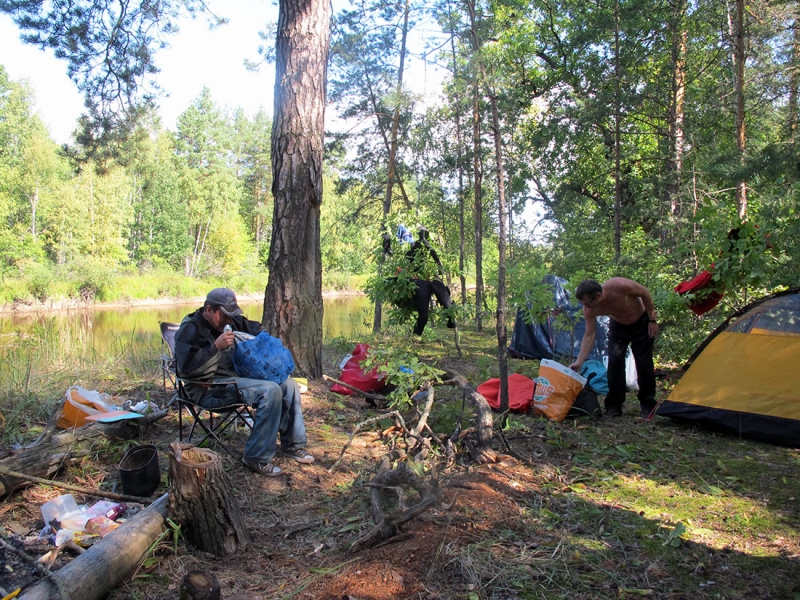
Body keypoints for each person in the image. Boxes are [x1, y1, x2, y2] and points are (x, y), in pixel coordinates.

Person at [174, 288, 313, 476]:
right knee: (270, 391)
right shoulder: (190, 329)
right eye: (224, 315)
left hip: (237, 379)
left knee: (289, 385)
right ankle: (256, 457)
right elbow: (187, 370)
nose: (229, 321)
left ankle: (293, 445)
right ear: (209, 309)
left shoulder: (233, 322)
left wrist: (257, 343)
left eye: (232, 315)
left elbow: (257, 330)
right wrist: (216, 347)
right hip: (209, 388)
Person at [569, 278, 658, 418]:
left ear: (598, 295)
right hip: (618, 326)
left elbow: (645, 292)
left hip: (641, 322)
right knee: (615, 362)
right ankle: (614, 406)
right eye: (583, 304)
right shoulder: (589, 309)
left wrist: (652, 320)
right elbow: (589, 335)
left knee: (643, 362)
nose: (586, 307)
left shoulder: (619, 286)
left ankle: (648, 405)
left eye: (588, 303)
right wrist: (579, 362)